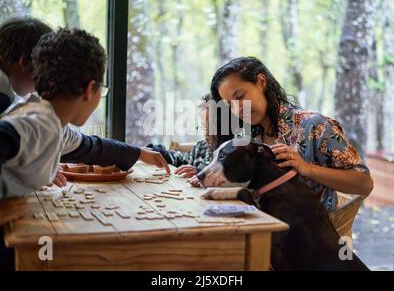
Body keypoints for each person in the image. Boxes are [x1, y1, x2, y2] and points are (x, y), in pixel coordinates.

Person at [0, 17, 169, 189]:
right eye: (101, 89)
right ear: (90, 90)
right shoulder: (34, 124)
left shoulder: (49, 123)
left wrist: (137, 152)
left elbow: (86, 146)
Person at [206, 56, 373, 211]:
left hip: (309, 235)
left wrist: (306, 168)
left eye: (240, 96)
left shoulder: (314, 126)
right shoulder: (249, 137)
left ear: (261, 81)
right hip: (260, 225)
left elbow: (364, 183)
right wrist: (205, 175)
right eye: (230, 105)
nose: (238, 108)